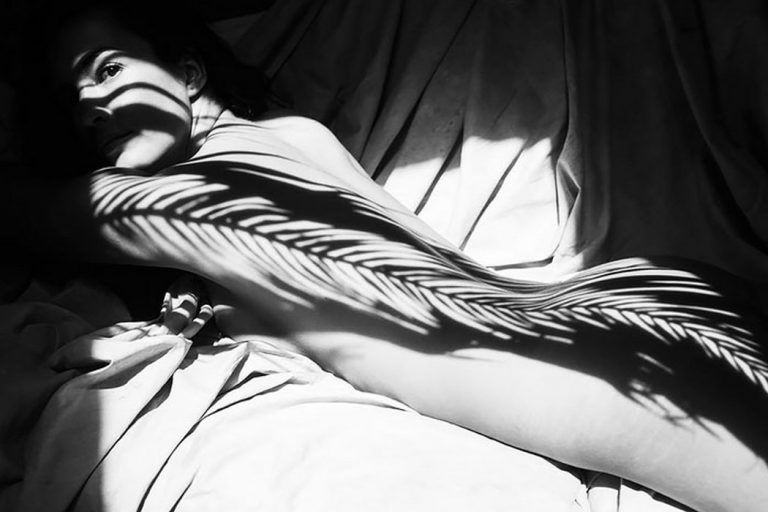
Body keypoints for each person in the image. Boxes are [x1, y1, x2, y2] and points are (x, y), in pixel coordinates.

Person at [4, 1, 768, 511]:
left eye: (108, 69)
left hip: (558, 362)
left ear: (188, 74)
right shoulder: (297, 136)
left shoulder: (155, 203)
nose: (89, 105)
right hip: (614, 302)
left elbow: (17, 203)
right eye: (72, 100)